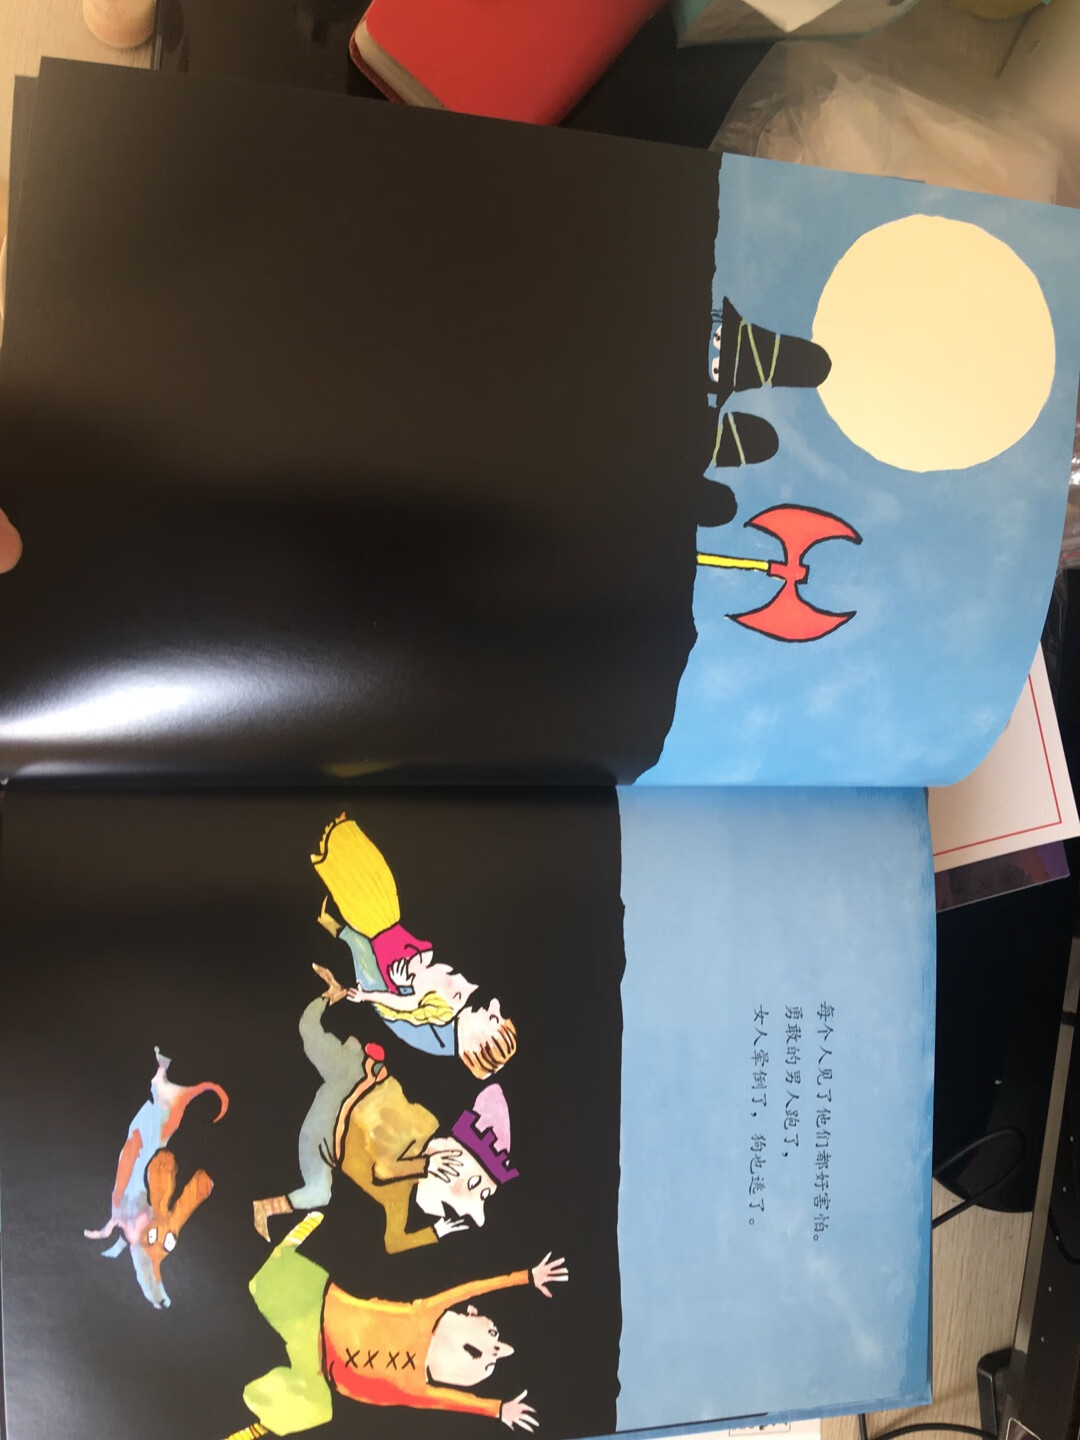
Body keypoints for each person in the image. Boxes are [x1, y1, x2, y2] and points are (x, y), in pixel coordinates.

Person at [233, 1212, 567, 1438]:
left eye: (491, 1362)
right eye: (493, 1335)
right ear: (469, 1313)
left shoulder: (418, 1388)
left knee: (312, 1410)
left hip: (317, 1369)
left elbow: (451, 1401)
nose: (499, 1350)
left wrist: (498, 1409)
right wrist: (526, 1277)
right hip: (315, 1306)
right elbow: (474, 1288)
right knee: (261, 1284)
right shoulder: (426, 1315)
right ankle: (290, 1245)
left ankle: (252, 1431)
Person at [253, 969, 519, 1249]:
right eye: (478, 1188)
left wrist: (436, 1232)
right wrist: (427, 1164)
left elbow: (393, 1241)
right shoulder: (425, 1124)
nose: (476, 1215)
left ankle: (264, 1208)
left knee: (319, 1193)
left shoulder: (399, 1199)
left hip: (327, 1136)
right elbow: (383, 1168)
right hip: (356, 1076)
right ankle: (329, 994)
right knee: (309, 1032)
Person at [311, 813, 517, 1078]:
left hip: (386, 960)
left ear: (480, 1044)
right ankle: (337, 840)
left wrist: (387, 985)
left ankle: (333, 847)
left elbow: (400, 1009)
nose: (494, 1006)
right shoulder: (449, 1027)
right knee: (375, 893)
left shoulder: (441, 1029)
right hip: (397, 952)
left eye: (493, 1020)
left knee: (367, 896)